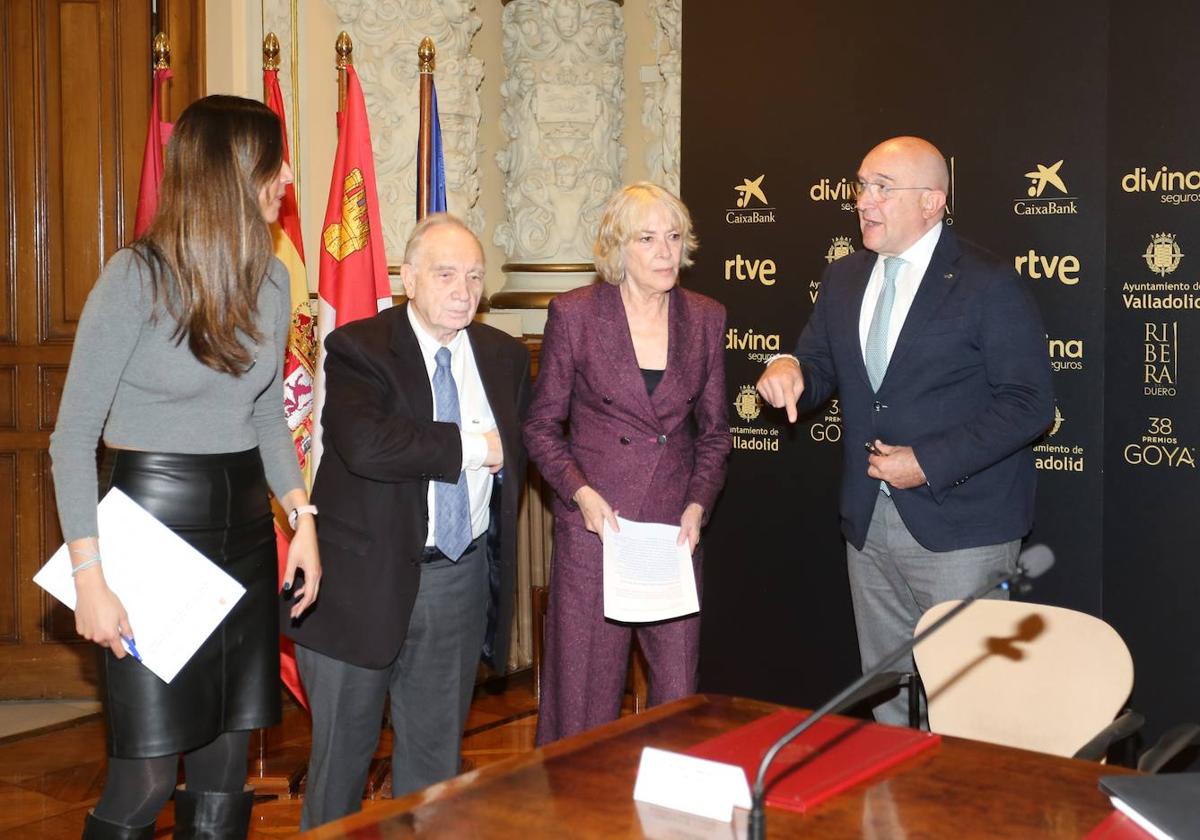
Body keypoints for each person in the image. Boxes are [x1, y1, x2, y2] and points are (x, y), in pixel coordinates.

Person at [49, 95, 321, 839]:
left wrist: (302, 518)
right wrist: (90, 579)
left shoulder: (270, 279)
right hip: (149, 534)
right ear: (232, 174)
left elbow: (266, 413)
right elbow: (71, 438)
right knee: (142, 777)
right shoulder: (133, 278)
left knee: (224, 774)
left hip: (240, 532)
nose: (287, 176)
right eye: (273, 162)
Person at [756, 136, 1054, 726]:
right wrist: (787, 369)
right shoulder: (842, 278)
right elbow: (816, 367)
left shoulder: (987, 282)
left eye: (882, 189)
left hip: (963, 527)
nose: (864, 201)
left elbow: (1030, 404)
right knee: (888, 698)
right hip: (869, 525)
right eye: (861, 186)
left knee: (970, 710)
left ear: (932, 202)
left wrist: (929, 461)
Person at [286, 213, 530, 829]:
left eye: (474, 277)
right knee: (341, 764)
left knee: (434, 770)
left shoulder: (502, 356)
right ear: (409, 278)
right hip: (360, 586)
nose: (463, 291)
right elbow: (370, 445)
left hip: (457, 577)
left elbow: (531, 446)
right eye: (446, 274)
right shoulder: (359, 347)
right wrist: (477, 446)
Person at [525, 182, 731, 745]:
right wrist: (580, 495)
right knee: (583, 705)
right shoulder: (576, 315)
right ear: (619, 248)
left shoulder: (707, 318)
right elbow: (541, 427)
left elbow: (714, 434)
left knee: (677, 699)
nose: (666, 251)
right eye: (648, 238)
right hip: (597, 531)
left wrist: (698, 506)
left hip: (673, 535)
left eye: (674, 237)